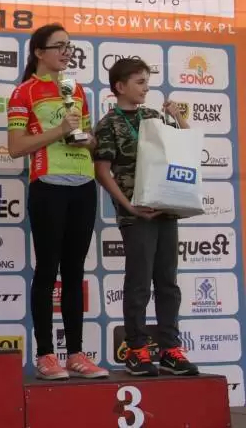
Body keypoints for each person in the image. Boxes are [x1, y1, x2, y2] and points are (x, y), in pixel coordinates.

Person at [7, 23, 108, 380]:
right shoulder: (23, 92)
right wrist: (59, 131)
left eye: (69, 46)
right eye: (60, 46)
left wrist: (88, 140)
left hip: (83, 184)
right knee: (48, 269)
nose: (67, 52)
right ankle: (46, 355)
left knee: (75, 271)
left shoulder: (75, 88)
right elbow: (15, 147)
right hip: (48, 185)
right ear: (39, 52)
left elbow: (89, 138)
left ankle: (76, 354)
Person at [92, 58, 199, 377]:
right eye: (139, 82)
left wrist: (178, 119)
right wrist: (128, 205)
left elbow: (184, 150)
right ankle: (136, 349)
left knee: (167, 282)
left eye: (147, 83)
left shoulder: (153, 116)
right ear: (119, 87)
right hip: (136, 214)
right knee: (139, 282)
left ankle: (170, 349)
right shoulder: (108, 124)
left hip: (166, 208)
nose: (145, 88)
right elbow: (102, 171)